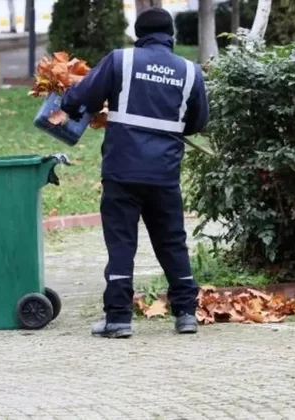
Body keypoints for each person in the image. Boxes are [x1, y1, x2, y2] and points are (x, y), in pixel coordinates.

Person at [60, 7, 209, 338]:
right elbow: (197, 122)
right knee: (172, 242)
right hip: (164, 174)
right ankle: (186, 314)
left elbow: (82, 97)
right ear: (170, 35)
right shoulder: (190, 71)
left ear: (139, 34)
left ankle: (118, 319)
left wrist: (70, 103)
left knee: (121, 244)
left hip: (122, 171)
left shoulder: (121, 60)